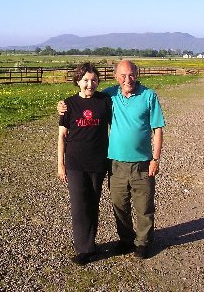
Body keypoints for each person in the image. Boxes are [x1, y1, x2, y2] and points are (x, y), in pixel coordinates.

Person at [58, 60, 165, 259]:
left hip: (142, 162)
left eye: (131, 75)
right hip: (115, 163)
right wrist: (63, 106)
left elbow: (157, 129)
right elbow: (84, 100)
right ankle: (125, 239)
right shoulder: (109, 95)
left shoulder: (149, 96)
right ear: (116, 77)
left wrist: (156, 159)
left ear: (137, 74)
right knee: (119, 205)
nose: (127, 79)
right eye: (123, 76)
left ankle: (143, 243)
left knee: (144, 206)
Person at [57, 62, 112, 266]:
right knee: (79, 206)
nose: (90, 84)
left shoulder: (104, 101)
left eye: (94, 80)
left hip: (98, 162)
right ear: (78, 81)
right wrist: (60, 164)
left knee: (93, 204)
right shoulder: (68, 105)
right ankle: (84, 249)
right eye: (86, 80)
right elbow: (62, 136)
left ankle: (90, 243)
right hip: (75, 163)